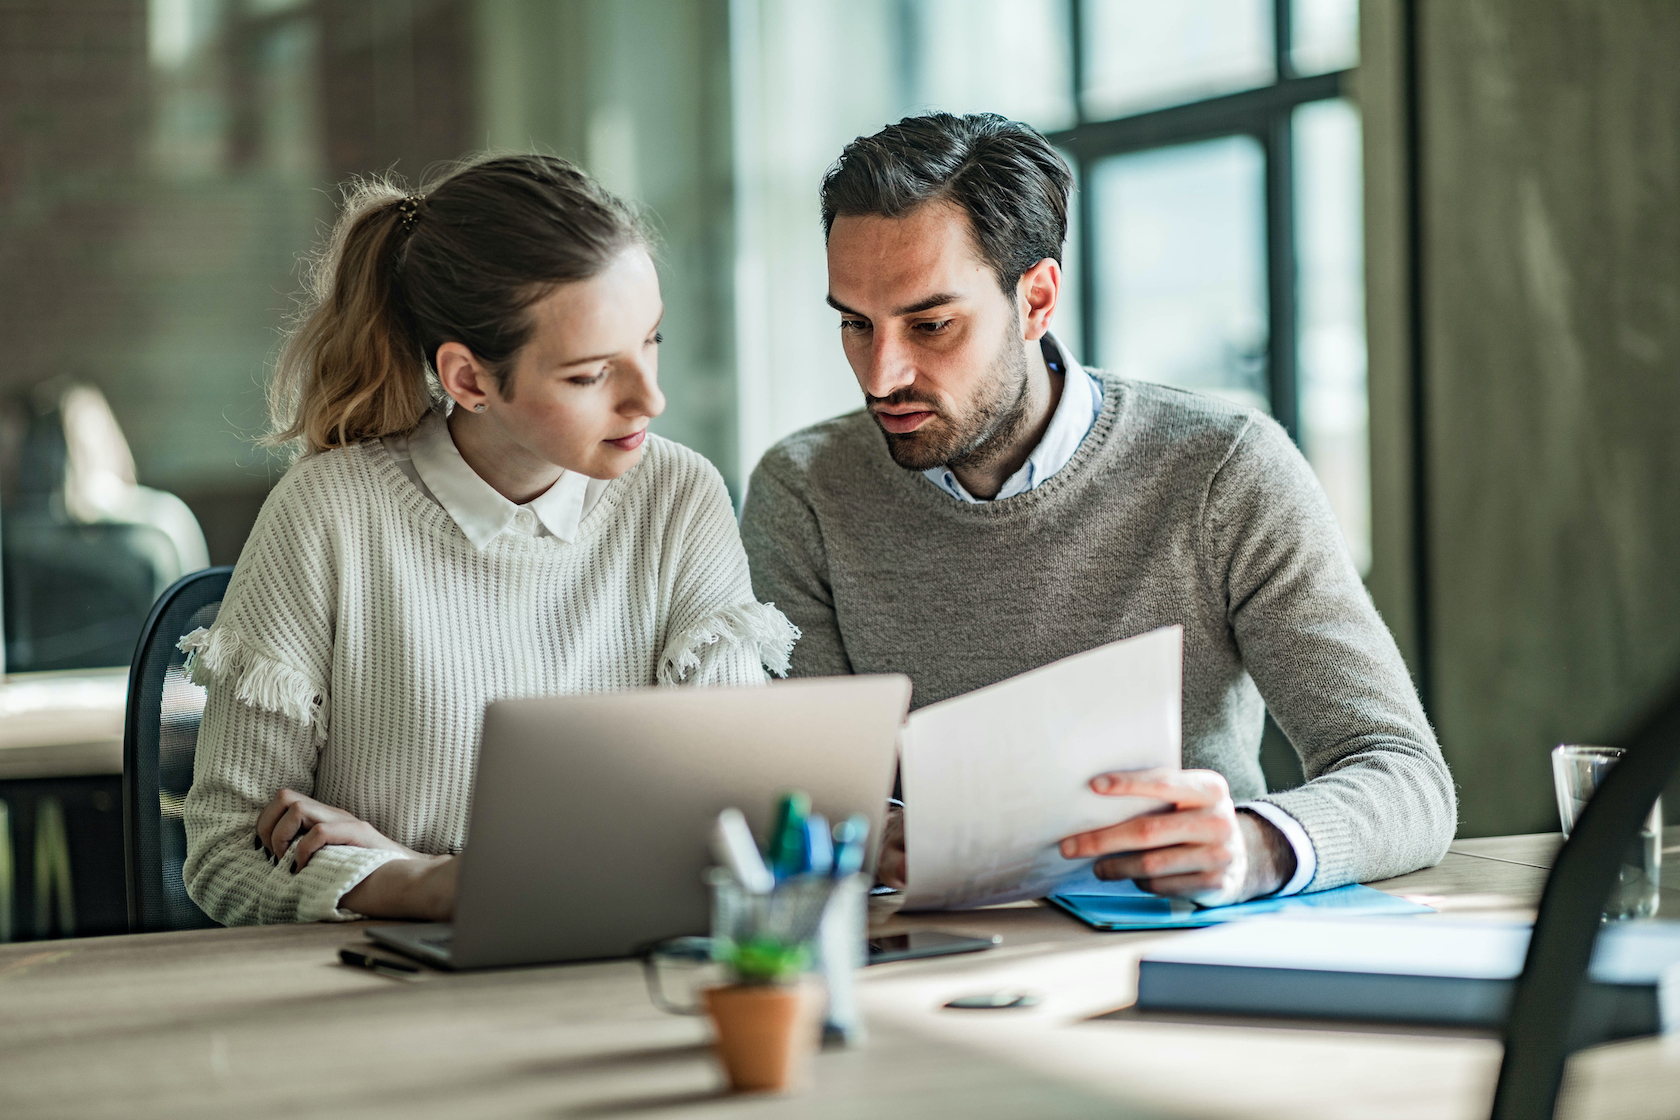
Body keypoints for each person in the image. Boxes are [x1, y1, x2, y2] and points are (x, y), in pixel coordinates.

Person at [740, 114, 1455, 906]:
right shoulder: (803, 490)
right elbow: (801, 795)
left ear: (1037, 298)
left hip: (1178, 941)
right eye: (855, 324)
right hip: (919, 957)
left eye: (931, 324)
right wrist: (865, 829)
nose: (881, 375)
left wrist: (1258, 847)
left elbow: (1405, 776)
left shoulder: (1223, 467)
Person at [183, 155, 798, 925]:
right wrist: (417, 891)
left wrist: (429, 872)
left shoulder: (680, 498)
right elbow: (222, 855)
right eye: (589, 375)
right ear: (470, 380)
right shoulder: (327, 515)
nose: (651, 396)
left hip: (622, 980)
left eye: (652, 341)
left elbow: (728, 821)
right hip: (385, 1005)